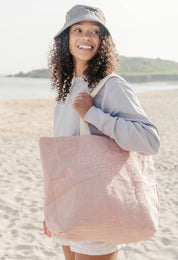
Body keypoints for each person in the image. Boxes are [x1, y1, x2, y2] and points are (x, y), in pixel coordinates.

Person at [44, 4, 160, 260]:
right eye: (78, 30)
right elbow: (61, 158)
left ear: (102, 41)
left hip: (98, 204)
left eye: (95, 31)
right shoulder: (65, 90)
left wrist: (94, 115)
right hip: (69, 205)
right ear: (66, 39)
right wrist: (52, 208)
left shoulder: (111, 85)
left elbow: (150, 141)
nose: (86, 36)